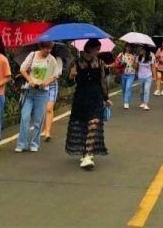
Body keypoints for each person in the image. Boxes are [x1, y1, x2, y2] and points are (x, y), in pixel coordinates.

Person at [65, 39, 112, 170]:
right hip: (81, 99)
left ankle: (87, 155)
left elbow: (103, 82)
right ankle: (86, 152)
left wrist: (106, 98)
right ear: (89, 49)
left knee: (94, 125)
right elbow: (68, 83)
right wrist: (71, 76)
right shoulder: (76, 63)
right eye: (97, 49)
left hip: (96, 99)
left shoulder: (100, 63)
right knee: (82, 127)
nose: (98, 52)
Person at [16, 42, 58, 153]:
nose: (48, 51)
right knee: (25, 117)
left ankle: (34, 143)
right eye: (46, 48)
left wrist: (46, 82)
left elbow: (56, 74)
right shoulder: (32, 55)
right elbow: (22, 69)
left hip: (42, 93)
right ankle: (22, 144)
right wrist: (30, 80)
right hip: (29, 91)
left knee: (38, 120)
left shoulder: (51, 59)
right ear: (41, 47)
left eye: (50, 48)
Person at [41, 55, 63, 142]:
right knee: (43, 108)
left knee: (49, 108)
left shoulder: (58, 59)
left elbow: (58, 74)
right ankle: (43, 128)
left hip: (52, 84)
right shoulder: (39, 57)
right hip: (41, 84)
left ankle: (47, 132)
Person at [117, 44, 136, 109]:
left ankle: (126, 102)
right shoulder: (121, 54)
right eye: (127, 46)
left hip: (131, 74)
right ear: (125, 47)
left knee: (128, 88)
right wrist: (121, 63)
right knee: (124, 89)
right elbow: (117, 62)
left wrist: (134, 62)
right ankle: (125, 100)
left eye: (130, 47)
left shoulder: (134, 55)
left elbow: (135, 66)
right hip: (123, 73)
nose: (128, 48)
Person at [136, 46, 155, 110]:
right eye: (141, 50)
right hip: (141, 76)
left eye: (142, 50)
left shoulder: (150, 57)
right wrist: (134, 60)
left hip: (148, 76)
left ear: (145, 50)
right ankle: (142, 102)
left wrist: (154, 76)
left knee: (146, 90)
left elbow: (153, 67)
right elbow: (135, 66)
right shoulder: (138, 57)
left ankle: (146, 104)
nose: (141, 51)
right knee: (141, 91)